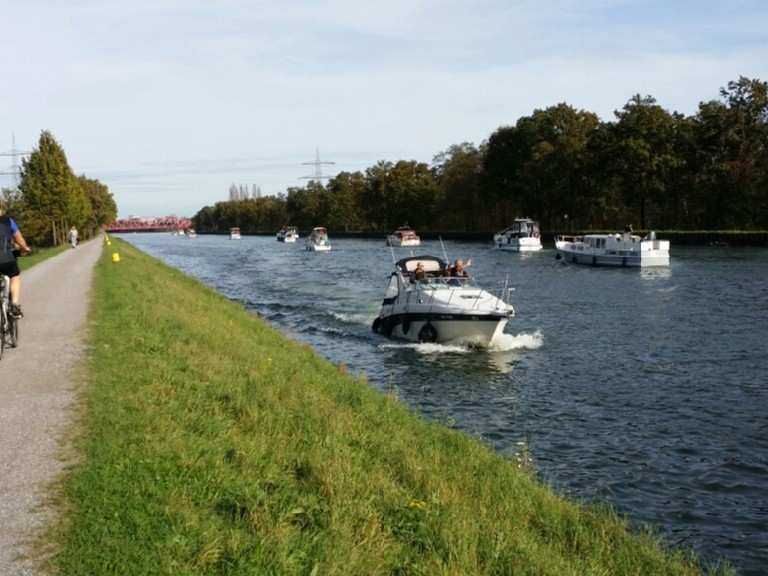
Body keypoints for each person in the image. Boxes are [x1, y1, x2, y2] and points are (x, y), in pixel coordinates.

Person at [0, 205, 32, 318]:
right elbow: (19, 239)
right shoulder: (8, 221)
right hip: (6, 259)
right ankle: (14, 305)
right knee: (15, 275)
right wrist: (25, 249)